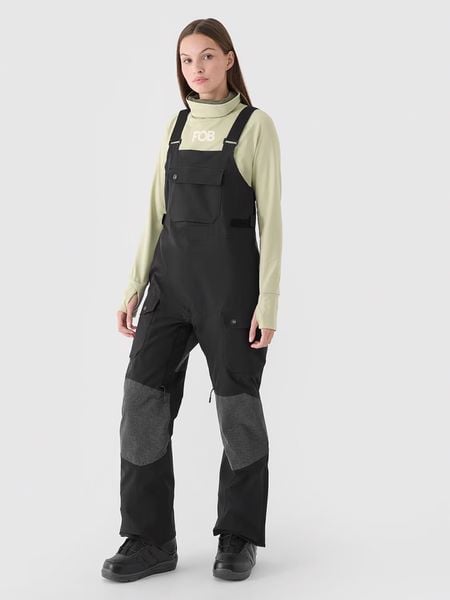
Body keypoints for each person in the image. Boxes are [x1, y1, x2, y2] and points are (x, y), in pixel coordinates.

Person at [101, 17, 282, 583]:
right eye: (186, 59)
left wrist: (269, 302)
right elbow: (154, 211)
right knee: (141, 402)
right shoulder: (176, 126)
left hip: (232, 297)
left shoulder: (255, 126)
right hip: (170, 290)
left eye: (206, 56)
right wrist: (134, 285)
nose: (196, 68)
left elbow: (272, 223)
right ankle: (150, 539)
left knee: (237, 411)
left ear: (229, 59)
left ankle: (238, 535)